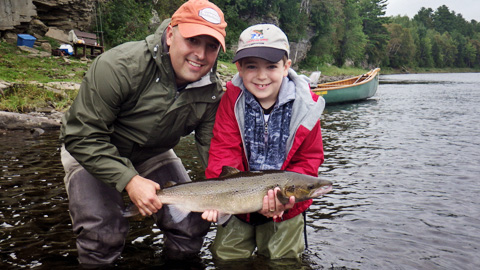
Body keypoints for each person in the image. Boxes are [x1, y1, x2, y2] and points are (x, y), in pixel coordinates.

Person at [59, 0, 227, 266]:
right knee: (103, 235)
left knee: (191, 226)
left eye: (211, 46)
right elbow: (81, 136)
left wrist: (224, 195)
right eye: (193, 40)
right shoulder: (119, 66)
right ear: (171, 35)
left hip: (154, 151)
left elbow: (214, 154)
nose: (201, 54)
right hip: (92, 147)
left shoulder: (213, 92)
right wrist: (130, 180)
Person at [201, 24, 326, 260]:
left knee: (284, 261)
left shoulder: (307, 107)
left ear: (286, 66)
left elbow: (309, 158)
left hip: (286, 212)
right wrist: (217, 197)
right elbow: (223, 150)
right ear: (238, 68)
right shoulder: (231, 100)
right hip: (236, 207)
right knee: (227, 259)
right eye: (251, 67)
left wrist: (287, 202)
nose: (261, 76)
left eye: (271, 66)